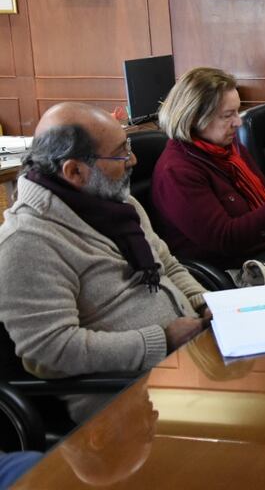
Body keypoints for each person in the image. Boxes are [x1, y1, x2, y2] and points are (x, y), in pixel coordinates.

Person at [0, 103, 209, 422]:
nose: (133, 160)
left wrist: (204, 303)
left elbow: (167, 265)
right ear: (74, 171)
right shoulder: (26, 242)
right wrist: (160, 340)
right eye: (121, 154)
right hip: (127, 400)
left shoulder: (119, 204)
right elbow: (52, 351)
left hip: (188, 361)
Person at [152, 67, 265, 270]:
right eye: (228, 115)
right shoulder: (177, 171)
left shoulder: (230, 148)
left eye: (237, 111)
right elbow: (225, 238)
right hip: (237, 266)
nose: (238, 121)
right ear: (194, 118)